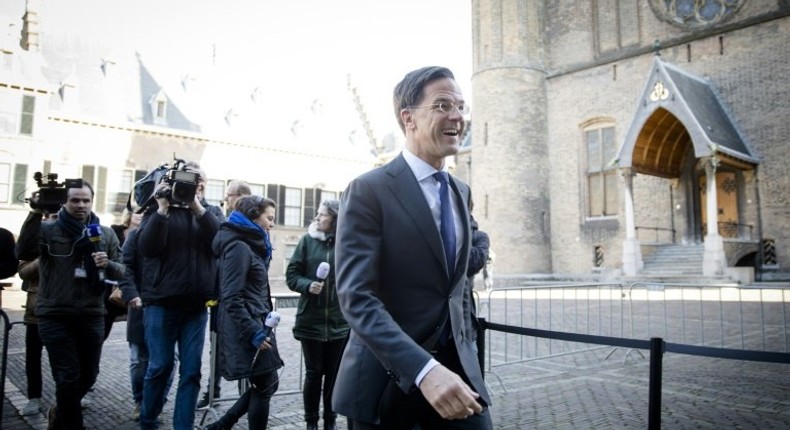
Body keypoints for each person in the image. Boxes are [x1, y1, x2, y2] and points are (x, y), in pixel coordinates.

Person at [333, 66, 492, 429]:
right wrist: (424, 370)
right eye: (442, 105)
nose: (457, 116)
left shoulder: (459, 191)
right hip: (387, 385)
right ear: (409, 118)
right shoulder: (369, 190)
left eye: (461, 106)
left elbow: (456, 286)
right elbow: (357, 298)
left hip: (457, 377)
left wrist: (463, 349)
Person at [136, 161, 222, 430]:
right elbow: (148, 248)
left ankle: (182, 426)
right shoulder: (156, 209)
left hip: (195, 306)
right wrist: (161, 208)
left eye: (200, 183)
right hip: (161, 303)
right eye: (189, 182)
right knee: (159, 366)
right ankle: (148, 421)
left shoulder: (211, 212)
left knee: (192, 372)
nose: (196, 187)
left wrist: (197, 207)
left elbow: (218, 243)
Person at [34, 182, 124, 429]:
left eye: (86, 200)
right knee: (67, 377)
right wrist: (34, 212)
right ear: (64, 201)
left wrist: (108, 264)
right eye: (75, 200)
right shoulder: (48, 230)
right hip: (55, 313)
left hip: (92, 312)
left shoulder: (104, 234)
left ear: (92, 201)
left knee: (89, 374)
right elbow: (23, 250)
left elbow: (124, 269)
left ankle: (59, 414)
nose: (81, 205)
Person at [205, 195, 283, 429]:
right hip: (247, 326)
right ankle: (222, 425)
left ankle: (221, 425)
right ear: (253, 216)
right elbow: (231, 296)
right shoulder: (239, 247)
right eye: (269, 218)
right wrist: (253, 332)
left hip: (257, 322)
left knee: (266, 383)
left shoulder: (250, 244)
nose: (271, 224)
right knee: (265, 383)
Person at [286, 199, 349, 430]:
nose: (317, 218)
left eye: (323, 214)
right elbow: (291, 275)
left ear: (335, 218)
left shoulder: (347, 244)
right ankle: (311, 422)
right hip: (310, 322)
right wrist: (307, 284)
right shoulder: (307, 241)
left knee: (333, 375)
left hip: (339, 323)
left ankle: (330, 421)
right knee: (314, 374)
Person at [197, 179, 251, 409]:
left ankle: (245, 395)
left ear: (240, 197)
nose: (225, 200)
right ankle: (213, 391)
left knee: (243, 346)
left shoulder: (250, 226)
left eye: (228, 195)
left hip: (240, 297)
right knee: (216, 345)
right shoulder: (225, 222)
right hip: (220, 295)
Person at [15, 210, 57, 417]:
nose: (54, 220)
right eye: (51, 216)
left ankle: (68, 396)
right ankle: (34, 397)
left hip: (62, 311)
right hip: (36, 310)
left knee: (62, 358)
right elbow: (22, 272)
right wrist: (43, 260)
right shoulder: (35, 241)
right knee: (33, 357)